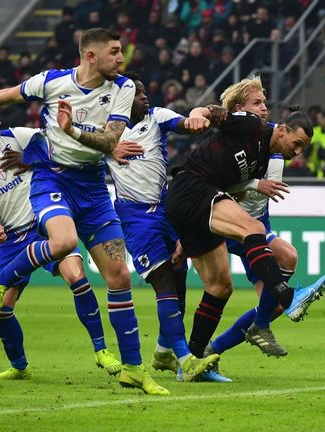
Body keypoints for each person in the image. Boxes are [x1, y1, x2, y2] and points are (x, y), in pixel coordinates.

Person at [0, 28, 167, 395]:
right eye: (115, 52)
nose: (122, 59)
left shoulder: (122, 88)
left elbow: (109, 140)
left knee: (120, 275)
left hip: (92, 187)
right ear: (90, 55)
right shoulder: (52, 81)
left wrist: (71, 129)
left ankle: (134, 369)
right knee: (64, 241)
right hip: (53, 181)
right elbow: (7, 95)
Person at [0, 105, 120, 380]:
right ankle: (19, 367)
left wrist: (30, 157)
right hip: (13, 239)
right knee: (2, 309)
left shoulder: (16, 136)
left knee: (77, 277)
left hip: (45, 225)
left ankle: (101, 350)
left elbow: (55, 143)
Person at [165, 104, 325, 362]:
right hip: (191, 187)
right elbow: (213, 112)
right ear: (283, 130)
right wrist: (197, 115)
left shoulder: (264, 160)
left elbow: (234, 187)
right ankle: (284, 293)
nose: (297, 153)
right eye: (296, 144)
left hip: (198, 203)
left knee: (220, 288)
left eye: (303, 149)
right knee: (254, 229)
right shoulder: (253, 126)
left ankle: (192, 361)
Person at [106, 73, 221, 382]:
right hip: (137, 219)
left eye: (145, 91)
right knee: (164, 284)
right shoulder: (105, 132)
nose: (146, 97)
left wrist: (197, 120)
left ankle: (162, 354)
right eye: (138, 94)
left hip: (168, 212)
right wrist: (106, 149)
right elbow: (75, 147)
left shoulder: (156, 117)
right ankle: (186, 359)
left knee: (180, 283)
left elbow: (183, 123)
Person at [208, 77, 325, 361]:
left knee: (271, 305)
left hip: (257, 223)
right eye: (257, 103)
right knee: (287, 256)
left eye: (265, 102)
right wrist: (253, 186)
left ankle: (209, 351)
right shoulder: (231, 142)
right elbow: (215, 184)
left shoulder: (275, 140)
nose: (265, 108)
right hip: (233, 226)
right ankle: (269, 318)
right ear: (239, 109)